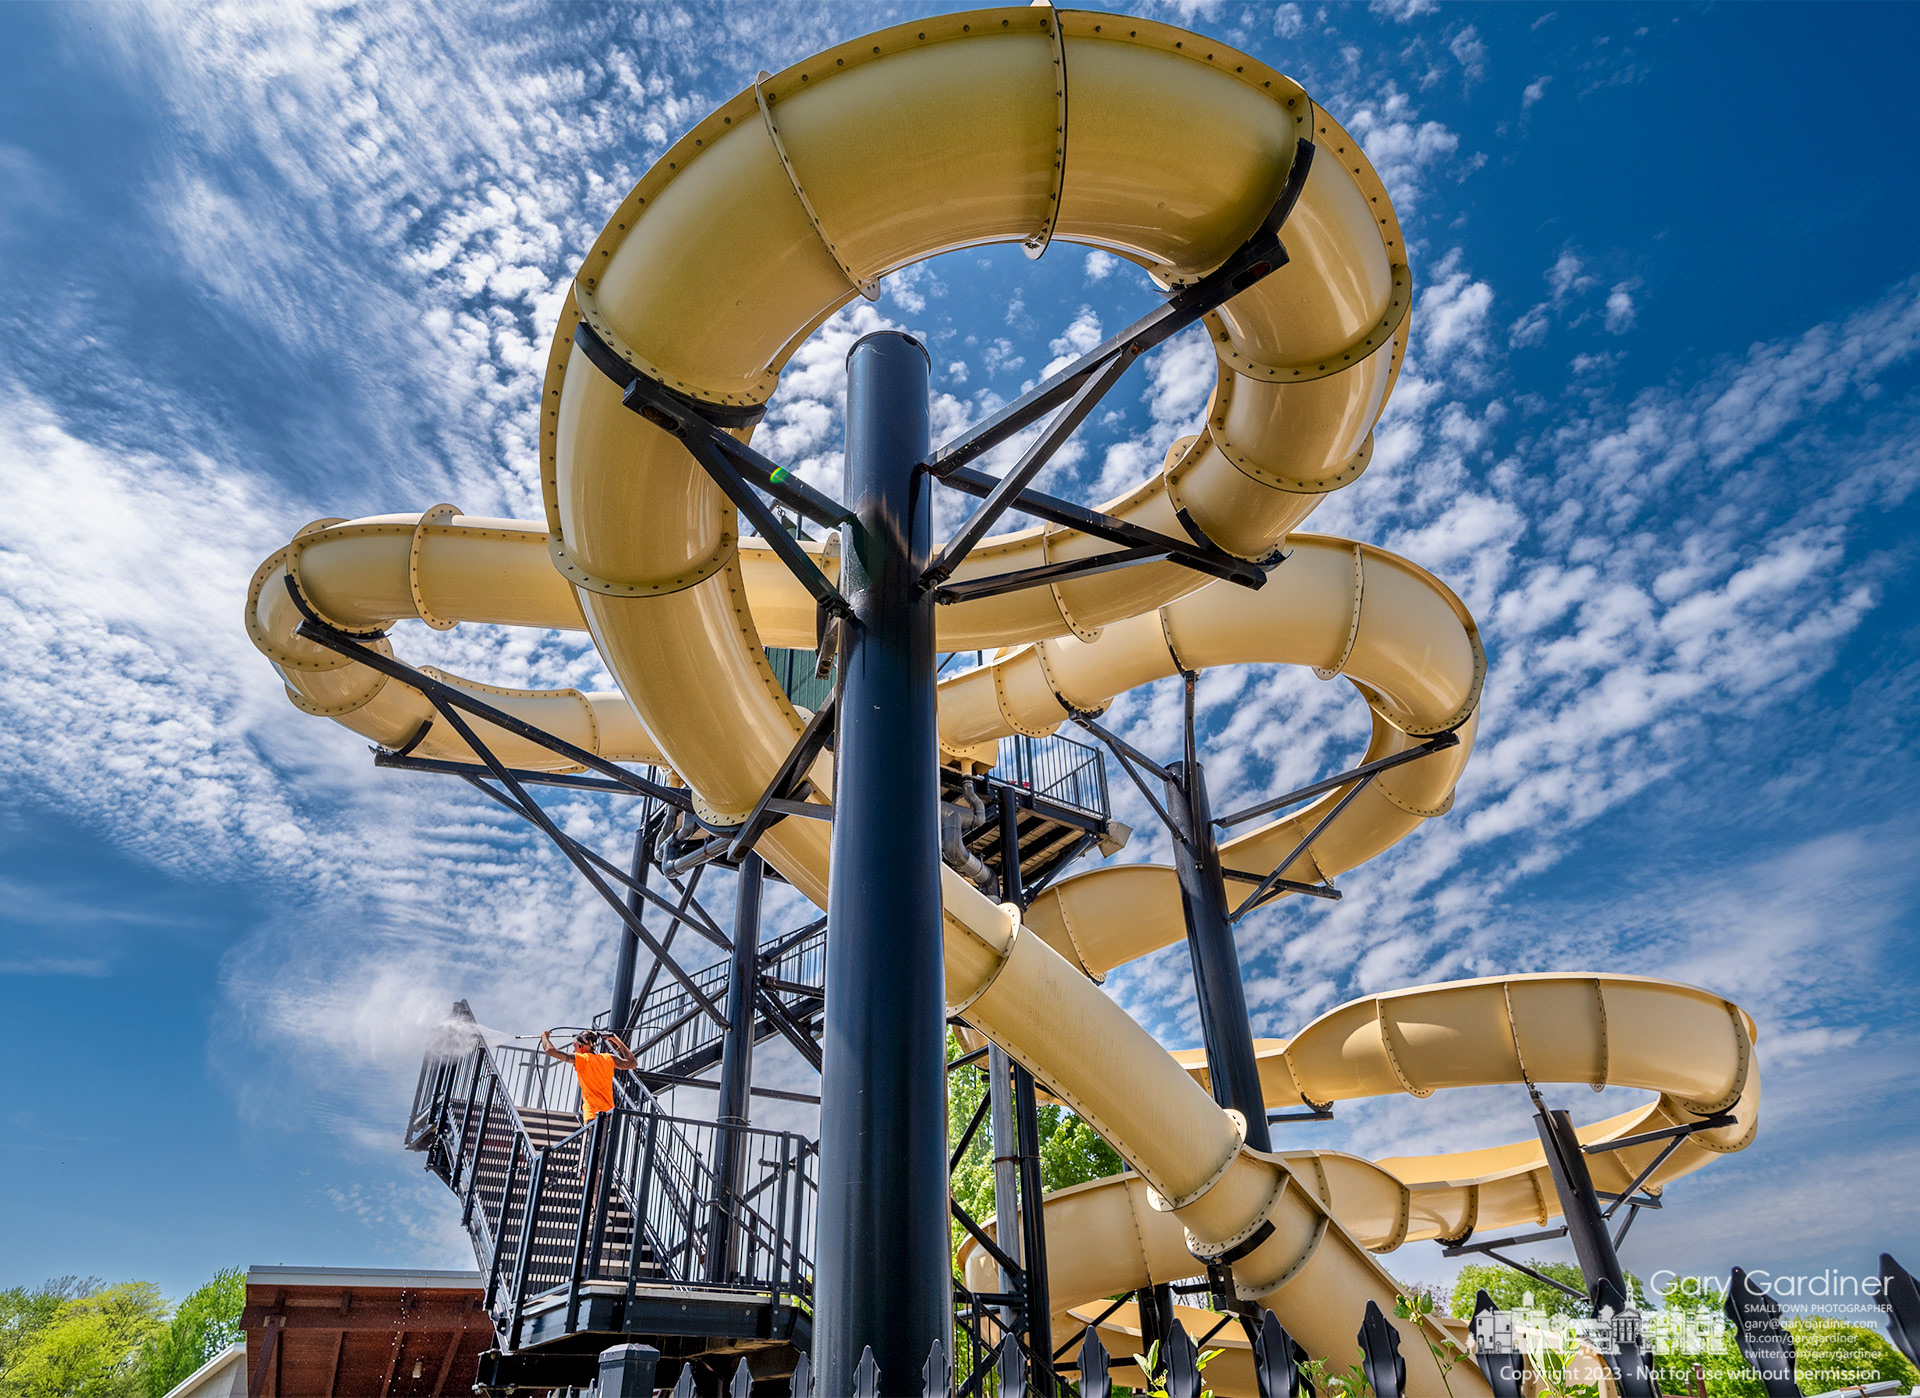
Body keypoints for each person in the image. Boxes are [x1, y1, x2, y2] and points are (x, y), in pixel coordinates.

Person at [540, 1028, 638, 1123]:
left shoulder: (582, 1059)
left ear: (581, 1046)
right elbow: (632, 1063)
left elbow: (550, 1050)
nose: (574, 1051)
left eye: (575, 1047)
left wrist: (544, 1037)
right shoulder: (608, 1058)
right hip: (609, 1115)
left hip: (592, 1115)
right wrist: (616, 1040)